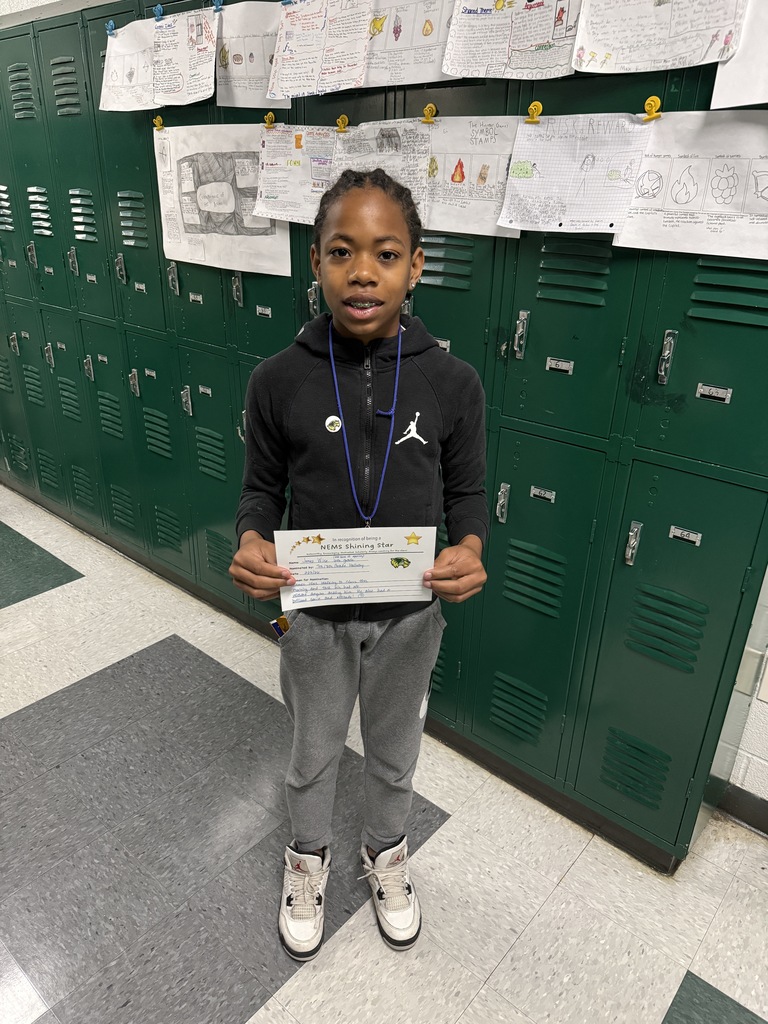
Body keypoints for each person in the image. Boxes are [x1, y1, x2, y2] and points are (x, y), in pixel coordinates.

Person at [228, 168, 488, 963]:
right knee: (311, 750)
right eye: (342, 251)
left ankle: (386, 854)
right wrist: (251, 541)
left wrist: (471, 549)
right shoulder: (278, 380)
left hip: (410, 615)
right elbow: (260, 491)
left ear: (416, 266)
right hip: (314, 613)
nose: (363, 271)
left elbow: (468, 492)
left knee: (394, 752)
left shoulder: (453, 381)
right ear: (315, 263)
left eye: (385, 253)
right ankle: (307, 857)